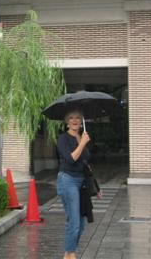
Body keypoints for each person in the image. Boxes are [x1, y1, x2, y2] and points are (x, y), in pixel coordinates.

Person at [57, 110, 92, 259]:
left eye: (78, 117)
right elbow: (71, 159)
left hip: (81, 181)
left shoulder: (81, 136)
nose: (75, 120)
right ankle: (70, 255)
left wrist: (95, 187)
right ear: (67, 122)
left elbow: (85, 161)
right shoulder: (63, 138)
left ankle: (68, 253)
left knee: (81, 224)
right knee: (74, 222)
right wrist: (82, 143)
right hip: (67, 180)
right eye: (71, 118)